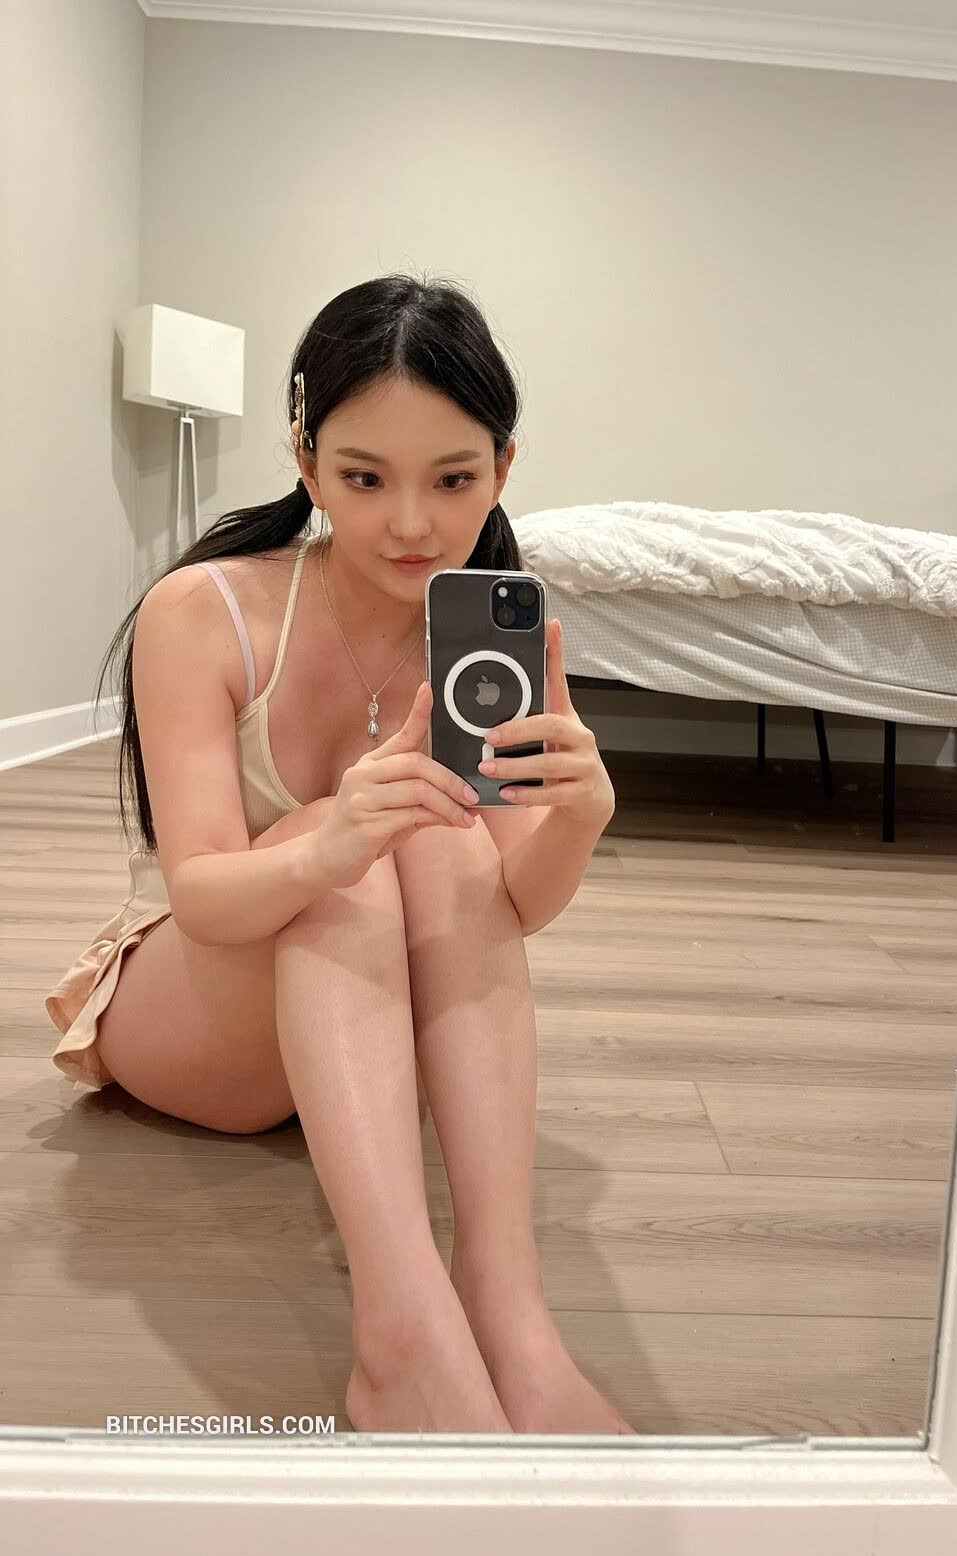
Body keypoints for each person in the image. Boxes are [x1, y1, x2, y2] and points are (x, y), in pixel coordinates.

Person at [45, 273, 630, 1436]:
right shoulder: (205, 610)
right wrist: (334, 845)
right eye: (365, 478)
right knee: (346, 840)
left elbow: (507, 905)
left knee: (444, 839)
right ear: (307, 464)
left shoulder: (483, 634)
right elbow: (203, 895)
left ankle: (508, 1315)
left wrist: (579, 818)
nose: (410, 523)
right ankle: (402, 1340)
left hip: (349, 1026)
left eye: (453, 480)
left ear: (502, 470)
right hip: (194, 1004)